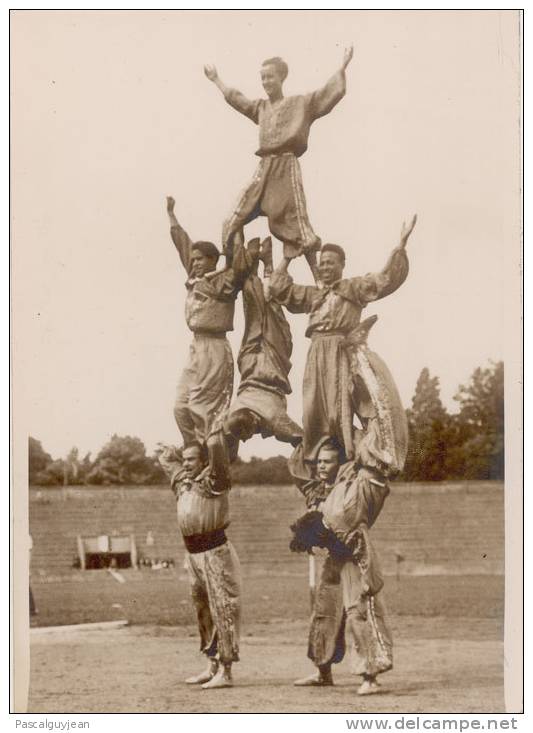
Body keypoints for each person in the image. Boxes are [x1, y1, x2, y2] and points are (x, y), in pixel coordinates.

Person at [269, 215, 417, 463]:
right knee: (313, 411)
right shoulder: (312, 294)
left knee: (341, 412)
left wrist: (400, 246)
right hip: (316, 353)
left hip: (342, 352)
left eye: (331, 263)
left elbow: (386, 278)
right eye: (322, 263)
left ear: (342, 265)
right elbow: (279, 289)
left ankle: (350, 458)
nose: (325, 267)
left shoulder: (355, 287)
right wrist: (287, 257)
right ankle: (318, 467)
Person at [204, 47, 353, 281]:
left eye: (270, 76)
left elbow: (326, 93)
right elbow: (238, 100)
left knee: (297, 224)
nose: (266, 81)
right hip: (264, 169)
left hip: (286, 167)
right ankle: (229, 263)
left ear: (281, 77)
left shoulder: (300, 103)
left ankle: (318, 277)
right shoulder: (261, 108)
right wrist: (216, 80)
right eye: (262, 77)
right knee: (233, 218)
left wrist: (342, 67)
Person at [289, 439, 394, 696]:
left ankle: (370, 676)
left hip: (355, 556)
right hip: (334, 558)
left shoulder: (354, 487)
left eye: (327, 461)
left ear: (340, 464)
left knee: (358, 613)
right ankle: (323, 672)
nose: (321, 466)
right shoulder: (319, 490)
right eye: (319, 462)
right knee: (324, 614)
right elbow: (296, 466)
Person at [166, 196, 250, 451]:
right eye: (193, 260)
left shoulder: (224, 279)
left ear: (213, 259)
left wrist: (237, 229)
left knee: (203, 409)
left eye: (200, 259)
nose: (195, 263)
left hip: (214, 348)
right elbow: (182, 243)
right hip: (196, 347)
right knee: (181, 407)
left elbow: (240, 262)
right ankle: (195, 454)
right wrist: (171, 214)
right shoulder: (195, 277)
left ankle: (214, 458)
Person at [158, 431, 241, 689]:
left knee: (223, 609)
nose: (186, 463)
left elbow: (218, 456)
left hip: (214, 552)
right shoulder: (184, 482)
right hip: (193, 555)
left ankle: (226, 670)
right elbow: (166, 461)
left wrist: (214, 436)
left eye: (192, 459)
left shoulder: (215, 480)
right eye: (184, 459)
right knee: (203, 610)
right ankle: (211, 664)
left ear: (205, 462)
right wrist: (172, 450)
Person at [224, 234, 302, 448]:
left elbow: (300, 438)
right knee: (264, 313)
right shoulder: (240, 415)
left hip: (264, 365)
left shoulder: (275, 419)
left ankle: (260, 265)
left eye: (246, 436)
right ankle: (264, 264)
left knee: (260, 312)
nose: (248, 439)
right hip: (259, 364)